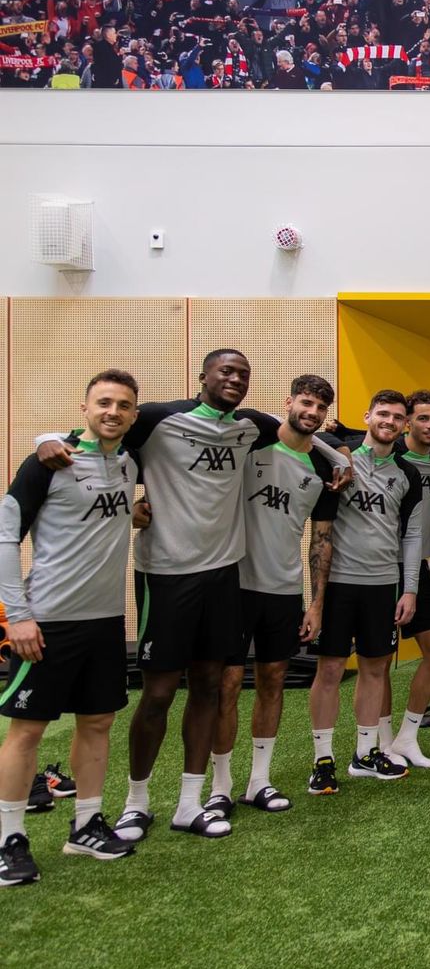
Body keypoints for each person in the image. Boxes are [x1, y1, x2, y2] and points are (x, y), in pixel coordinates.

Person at [34, 350, 347, 842]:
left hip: (224, 579)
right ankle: (136, 803)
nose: (235, 379)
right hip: (166, 575)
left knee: (208, 687)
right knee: (159, 693)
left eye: (243, 374)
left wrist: (340, 457)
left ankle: (190, 803)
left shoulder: (249, 426)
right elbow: (106, 428)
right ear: (203, 377)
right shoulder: (162, 418)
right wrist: (48, 438)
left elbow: (313, 436)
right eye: (226, 371)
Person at [0, 370, 142, 885]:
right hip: (47, 621)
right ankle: (9, 840)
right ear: (84, 408)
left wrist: (135, 514)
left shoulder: (129, 463)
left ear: (134, 414)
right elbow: (6, 536)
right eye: (103, 402)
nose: (112, 412)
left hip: (104, 622)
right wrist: (17, 615)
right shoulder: (48, 462)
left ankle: (86, 825)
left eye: (123, 405)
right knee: (28, 730)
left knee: (98, 722)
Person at [212, 375, 340, 817]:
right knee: (228, 685)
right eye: (306, 402)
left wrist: (316, 603)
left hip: (283, 590)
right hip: (234, 585)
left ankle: (258, 782)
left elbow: (321, 540)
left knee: (272, 682)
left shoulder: (324, 471)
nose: (312, 412)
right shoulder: (252, 441)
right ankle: (220, 787)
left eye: (320, 407)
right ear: (289, 402)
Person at [305, 391, 423, 794]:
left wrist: (409, 589)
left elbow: (412, 535)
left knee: (375, 669)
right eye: (382, 414)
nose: (389, 421)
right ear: (367, 415)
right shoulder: (340, 458)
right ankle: (323, 760)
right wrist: (341, 449)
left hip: (382, 585)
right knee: (331, 670)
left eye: (398, 417)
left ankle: (366, 753)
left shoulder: (407, 473)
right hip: (338, 583)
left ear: (405, 426)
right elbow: (306, 435)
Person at [384, 390, 430, 769]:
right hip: (379, 566)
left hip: (418, 566)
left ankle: (406, 737)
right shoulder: (390, 455)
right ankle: (378, 744)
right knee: (378, 660)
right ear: (407, 421)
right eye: (422, 418)